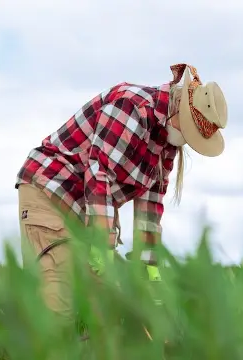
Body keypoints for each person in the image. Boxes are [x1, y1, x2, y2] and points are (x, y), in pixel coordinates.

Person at [15, 63, 228, 328]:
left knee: (104, 315)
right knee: (57, 309)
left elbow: (150, 209)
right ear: (178, 112)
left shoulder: (167, 144)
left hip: (89, 209)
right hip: (51, 191)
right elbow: (99, 172)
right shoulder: (132, 107)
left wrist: (149, 271)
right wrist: (102, 246)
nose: (186, 141)